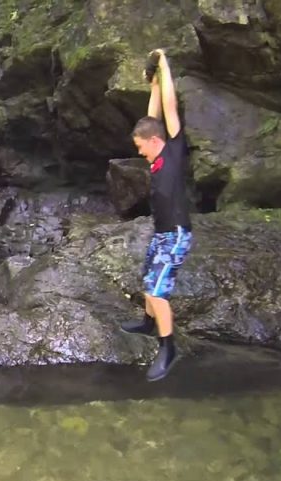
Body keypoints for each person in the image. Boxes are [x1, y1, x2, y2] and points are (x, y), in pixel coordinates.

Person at [120, 49, 194, 382]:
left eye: (140, 146)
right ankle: (149, 323)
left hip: (176, 233)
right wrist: (152, 84)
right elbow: (152, 117)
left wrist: (163, 65)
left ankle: (168, 348)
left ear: (154, 141)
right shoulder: (156, 157)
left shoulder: (173, 150)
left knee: (156, 290)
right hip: (162, 232)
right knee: (147, 274)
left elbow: (169, 108)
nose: (139, 152)